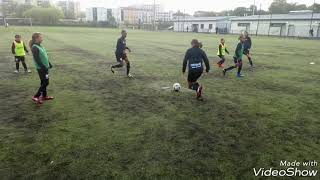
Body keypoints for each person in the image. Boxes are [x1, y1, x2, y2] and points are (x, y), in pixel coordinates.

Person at [29, 33, 54, 105]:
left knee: (44, 82)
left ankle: (44, 96)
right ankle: (35, 96)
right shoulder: (35, 47)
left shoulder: (40, 46)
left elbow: (44, 56)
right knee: (46, 82)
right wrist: (43, 67)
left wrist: (49, 63)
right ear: (36, 38)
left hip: (45, 67)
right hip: (41, 68)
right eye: (41, 37)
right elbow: (37, 59)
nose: (42, 38)